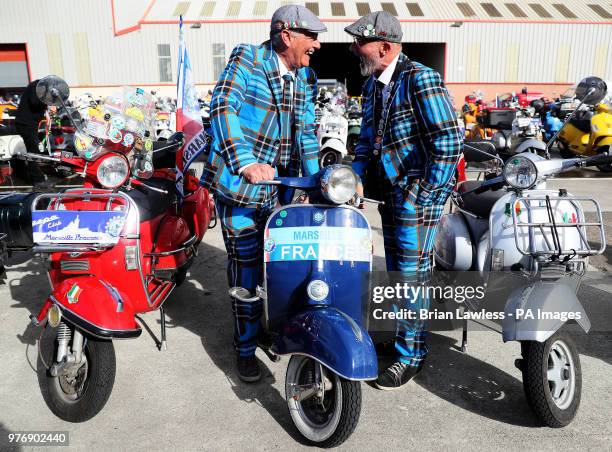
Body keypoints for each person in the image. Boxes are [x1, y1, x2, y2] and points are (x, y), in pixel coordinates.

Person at [200, 4, 325, 382]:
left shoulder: (303, 79)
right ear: (286, 36)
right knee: (247, 268)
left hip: (280, 191)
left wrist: (320, 181)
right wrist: (245, 161)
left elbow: (304, 134)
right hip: (240, 187)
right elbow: (223, 106)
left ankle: (273, 329)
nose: (317, 45)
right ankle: (244, 348)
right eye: (312, 37)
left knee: (282, 266)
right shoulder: (249, 58)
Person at [345, 11, 462, 390]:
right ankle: (402, 337)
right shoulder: (375, 85)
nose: (353, 47)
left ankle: (412, 354)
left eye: (359, 41)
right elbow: (365, 140)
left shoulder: (420, 78)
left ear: (384, 46)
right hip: (392, 195)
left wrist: (426, 193)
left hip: (416, 197)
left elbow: (448, 141)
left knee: (411, 277)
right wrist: (357, 176)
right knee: (398, 272)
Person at [14, 79, 49, 187]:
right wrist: (46, 102)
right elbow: (35, 102)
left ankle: (29, 175)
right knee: (33, 150)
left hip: (27, 123)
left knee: (32, 149)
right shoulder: (35, 88)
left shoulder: (34, 87)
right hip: (26, 123)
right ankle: (38, 180)